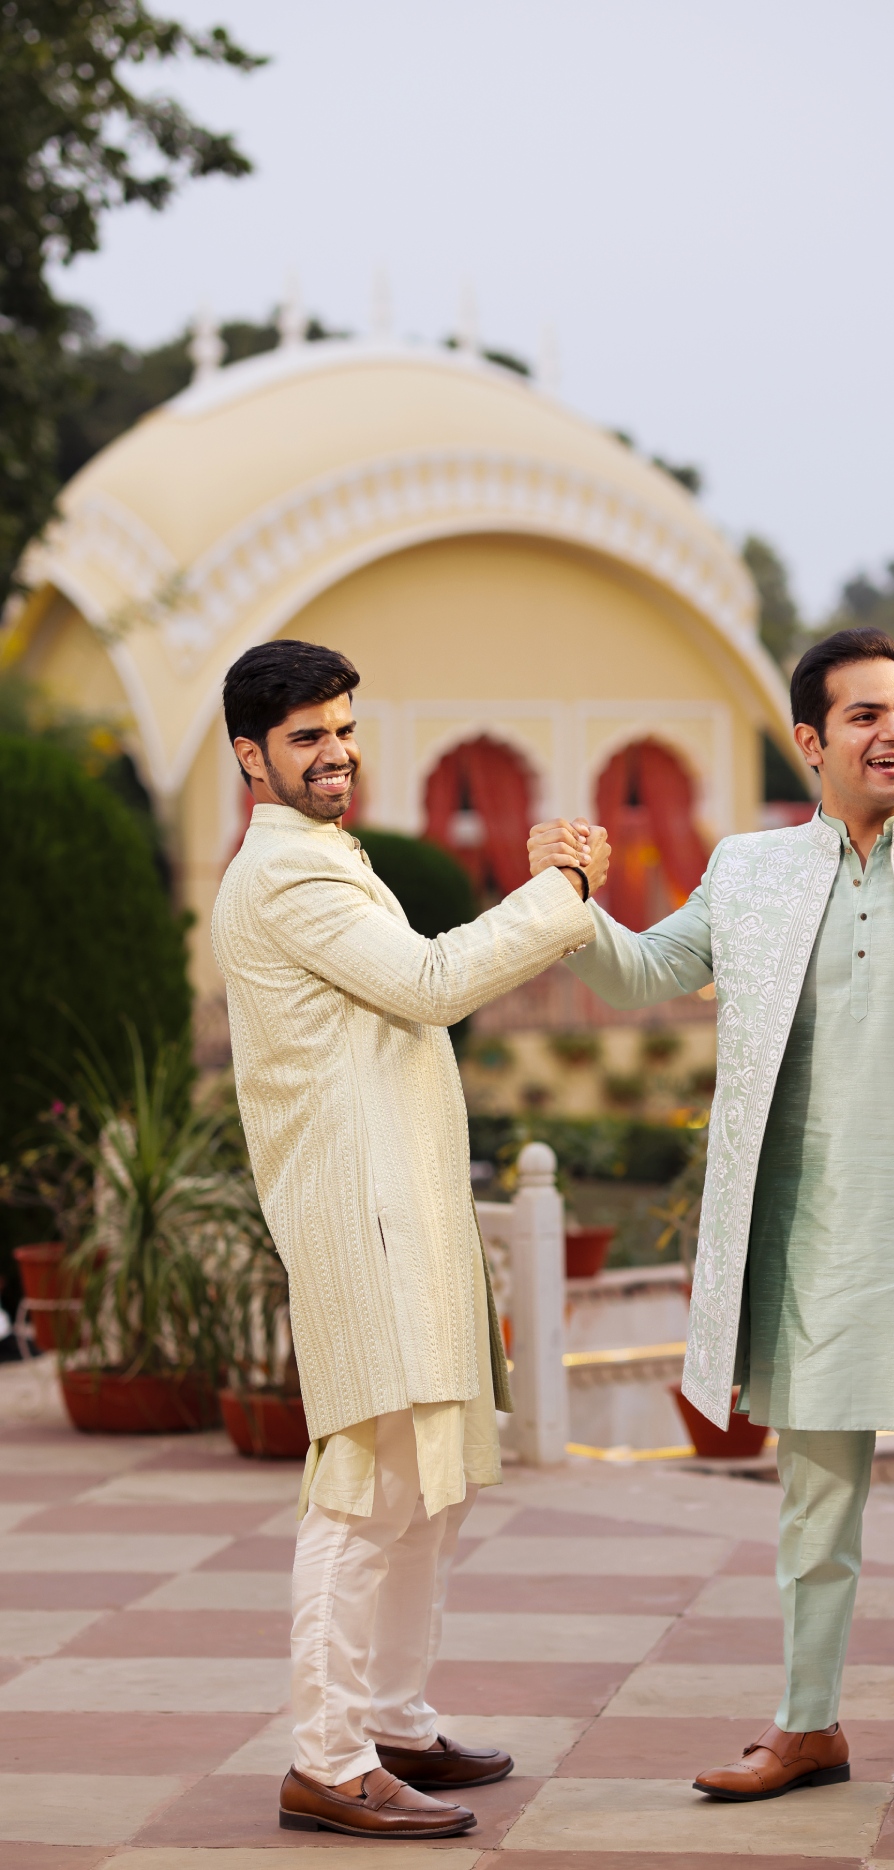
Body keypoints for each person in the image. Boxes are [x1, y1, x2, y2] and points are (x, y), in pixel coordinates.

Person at [531, 626, 894, 1820]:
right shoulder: (749, 871)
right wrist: (565, 895)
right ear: (810, 741)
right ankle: (807, 1724)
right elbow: (641, 973)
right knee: (813, 1508)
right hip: (814, 1243)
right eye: (867, 715)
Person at [212, 639, 609, 1841]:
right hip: (359, 1211)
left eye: (343, 728)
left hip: (401, 1204)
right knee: (365, 1485)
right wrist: (560, 891)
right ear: (250, 757)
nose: (335, 753)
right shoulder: (287, 874)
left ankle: (389, 1719)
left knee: (427, 1489)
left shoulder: (325, 853)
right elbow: (433, 982)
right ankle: (328, 1759)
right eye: (306, 737)